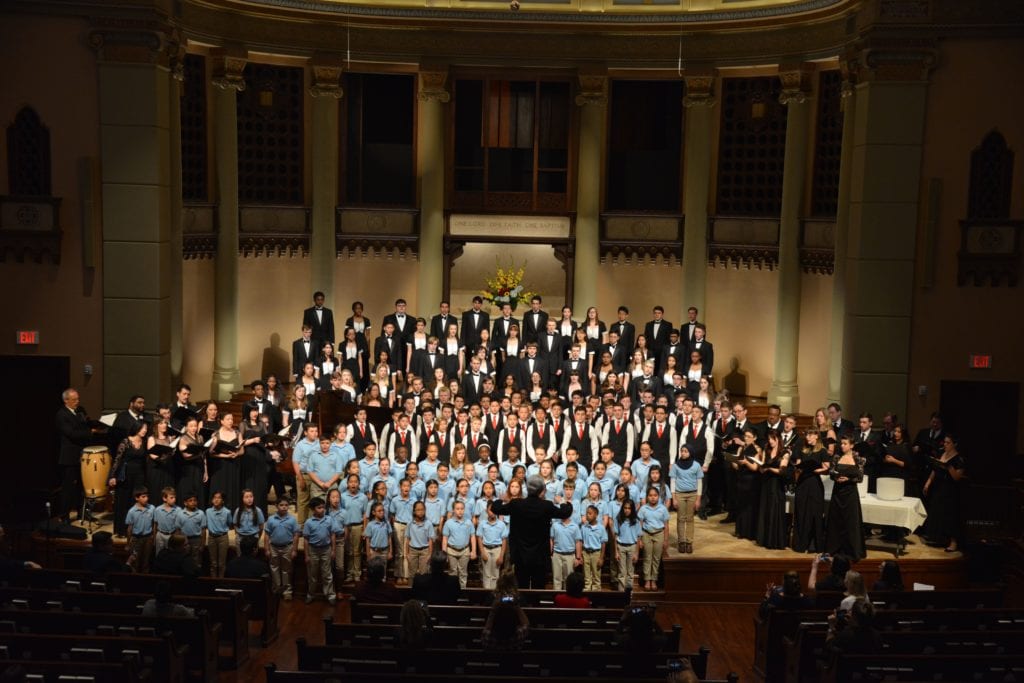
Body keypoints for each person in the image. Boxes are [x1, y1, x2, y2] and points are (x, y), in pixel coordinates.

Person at [490, 474, 573, 589]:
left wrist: (501, 499)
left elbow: (495, 508)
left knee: (521, 588)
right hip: (540, 556)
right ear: (542, 490)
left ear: (527, 489)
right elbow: (566, 512)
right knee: (538, 589)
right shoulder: (546, 505)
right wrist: (562, 501)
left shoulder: (516, 504)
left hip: (520, 555)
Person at [921, 434, 966, 553]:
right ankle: (939, 538)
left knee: (950, 515)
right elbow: (935, 470)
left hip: (950, 490)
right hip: (939, 487)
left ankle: (953, 542)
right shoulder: (942, 454)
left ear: (954, 444)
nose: (945, 445)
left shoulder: (959, 459)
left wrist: (949, 467)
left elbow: (957, 477)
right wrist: (928, 483)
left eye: (948, 443)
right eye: (944, 442)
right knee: (937, 512)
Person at [56, 388, 93, 524]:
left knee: (82, 486)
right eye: (74, 399)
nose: (77, 402)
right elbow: (71, 433)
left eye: (78, 399)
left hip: (81, 455)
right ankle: (64, 516)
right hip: (69, 457)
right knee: (68, 488)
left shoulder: (78, 412)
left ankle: (82, 512)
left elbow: (82, 427)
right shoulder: (62, 415)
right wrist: (89, 432)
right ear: (66, 400)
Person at [110, 421, 150, 537]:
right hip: (126, 475)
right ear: (137, 428)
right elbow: (117, 460)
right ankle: (122, 530)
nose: (145, 430)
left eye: (146, 428)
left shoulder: (144, 442)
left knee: (136, 501)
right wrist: (112, 476)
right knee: (124, 501)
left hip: (139, 475)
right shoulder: (126, 441)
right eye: (143, 428)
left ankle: (135, 529)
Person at [792, 430, 828, 553]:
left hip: (815, 484)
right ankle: (800, 544)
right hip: (802, 484)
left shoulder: (822, 451)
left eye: (810, 435)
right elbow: (798, 466)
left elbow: (827, 468)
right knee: (801, 513)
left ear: (816, 436)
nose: (807, 437)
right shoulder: (802, 450)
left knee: (814, 514)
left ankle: (813, 545)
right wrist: (798, 468)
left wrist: (818, 470)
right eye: (806, 435)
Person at [756, 430, 789, 550]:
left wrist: (769, 468)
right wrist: (762, 468)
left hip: (777, 484)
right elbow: (762, 468)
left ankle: (774, 540)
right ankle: (764, 539)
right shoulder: (767, 450)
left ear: (778, 439)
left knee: (774, 509)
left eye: (772, 439)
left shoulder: (784, 453)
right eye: (769, 439)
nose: (770, 441)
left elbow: (782, 471)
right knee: (766, 509)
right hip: (766, 483)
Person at [264, 497, 300, 600]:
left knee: (286, 570)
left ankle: (287, 591)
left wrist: (294, 550)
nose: (284, 507)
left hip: (287, 547)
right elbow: (267, 535)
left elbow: (296, 535)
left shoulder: (292, 520)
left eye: (286, 505)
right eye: (281, 505)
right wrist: (266, 549)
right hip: (274, 547)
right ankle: (276, 590)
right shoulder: (271, 519)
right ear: (276, 506)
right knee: (274, 569)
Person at [303, 496, 337, 604]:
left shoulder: (329, 519)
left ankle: (330, 595)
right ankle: (311, 594)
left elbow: (332, 535)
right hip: (313, 550)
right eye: (319, 508)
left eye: (323, 507)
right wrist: (306, 555)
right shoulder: (309, 522)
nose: (322, 510)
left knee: (327, 574)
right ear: (313, 510)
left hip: (326, 549)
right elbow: (306, 539)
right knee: (312, 575)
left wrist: (333, 550)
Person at [670, 445, 703, 554]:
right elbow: (673, 482)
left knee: (690, 519)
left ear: (690, 453)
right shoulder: (676, 466)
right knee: (680, 518)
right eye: (682, 451)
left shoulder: (696, 465)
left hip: (692, 494)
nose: (683, 453)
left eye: (686, 451)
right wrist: (674, 498)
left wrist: (698, 499)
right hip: (679, 494)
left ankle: (689, 542)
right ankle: (681, 541)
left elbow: (699, 483)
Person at [637, 486, 669, 591]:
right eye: (650, 495)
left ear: (658, 496)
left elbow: (666, 525)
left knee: (656, 558)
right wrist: (639, 540)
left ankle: (654, 580)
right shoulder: (643, 508)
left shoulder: (663, 508)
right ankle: (647, 579)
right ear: (647, 497)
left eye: (655, 495)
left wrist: (666, 540)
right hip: (646, 534)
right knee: (647, 557)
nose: (653, 497)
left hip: (659, 533)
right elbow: (640, 525)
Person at [125, 486, 155, 573]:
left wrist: (153, 536)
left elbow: (154, 523)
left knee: (146, 560)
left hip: (148, 538)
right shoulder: (132, 511)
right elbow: (129, 528)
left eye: (147, 496)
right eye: (143, 497)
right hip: (136, 539)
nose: (146, 498)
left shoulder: (152, 508)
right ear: (136, 498)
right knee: (135, 561)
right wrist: (128, 543)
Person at [205, 490, 232, 578]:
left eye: (219, 498)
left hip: (222, 538)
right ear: (212, 500)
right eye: (214, 498)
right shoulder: (208, 511)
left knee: (221, 563)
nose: (216, 500)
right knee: (213, 563)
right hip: (211, 538)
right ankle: (213, 582)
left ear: (222, 501)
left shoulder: (227, 512)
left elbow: (229, 523)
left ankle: (221, 581)